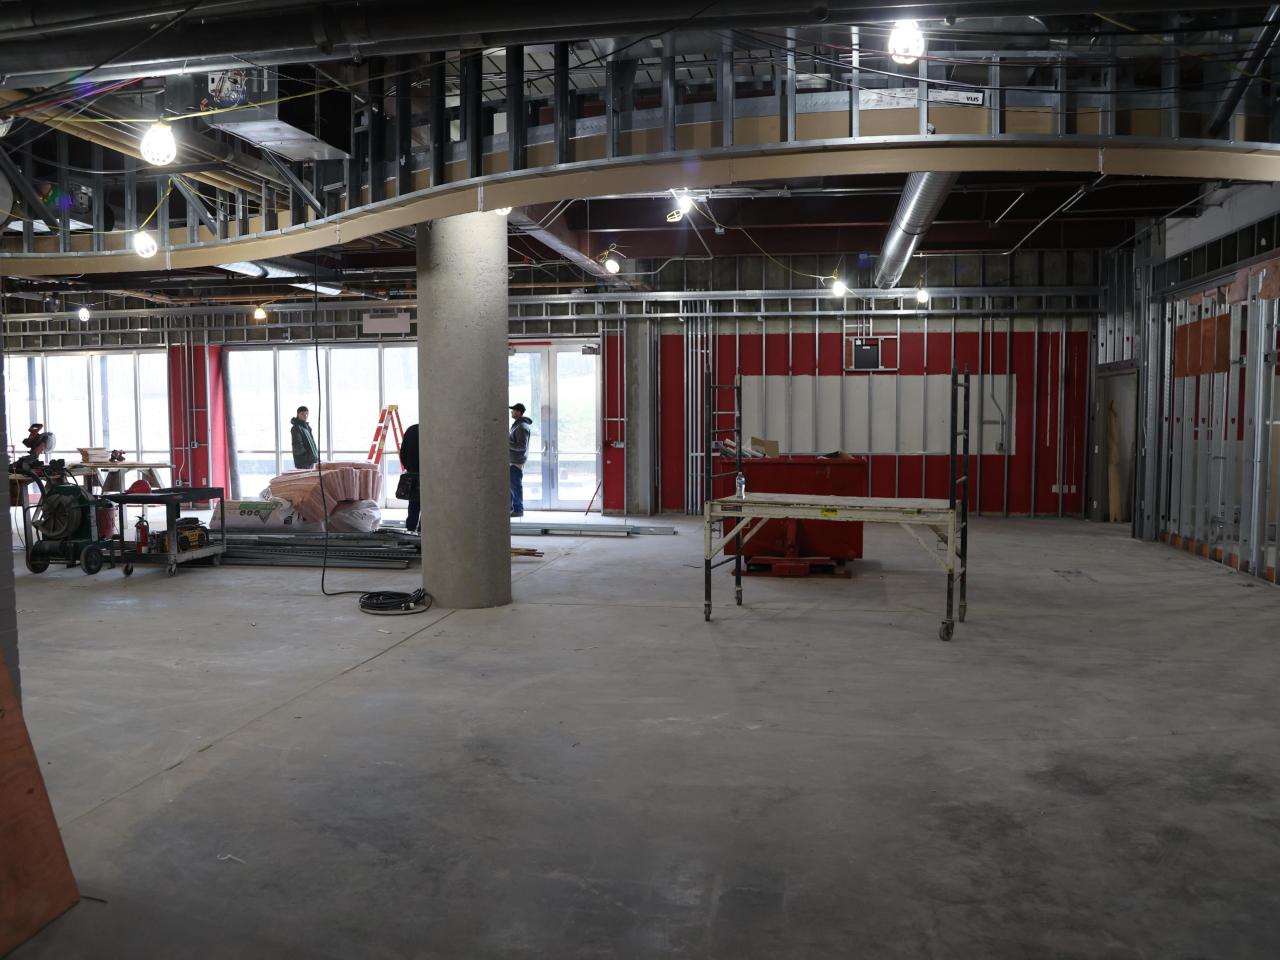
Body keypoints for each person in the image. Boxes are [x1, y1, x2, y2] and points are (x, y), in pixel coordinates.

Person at [508, 403, 532, 517]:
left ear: (518, 412)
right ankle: (513, 508)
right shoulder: (518, 425)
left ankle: (518, 510)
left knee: (515, 486)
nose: (511, 412)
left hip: (516, 462)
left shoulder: (522, 427)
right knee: (512, 487)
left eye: (513, 411)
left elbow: (522, 446)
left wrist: (506, 443)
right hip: (513, 461)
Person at [400, 422, 421, 533]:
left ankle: (410, 530)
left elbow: (402, 452)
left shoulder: (411, 430)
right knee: (428, 504)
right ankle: (423, 532)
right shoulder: (432, 431)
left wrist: (409, 468)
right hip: (429, 474)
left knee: (413, 504)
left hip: (413, 473)